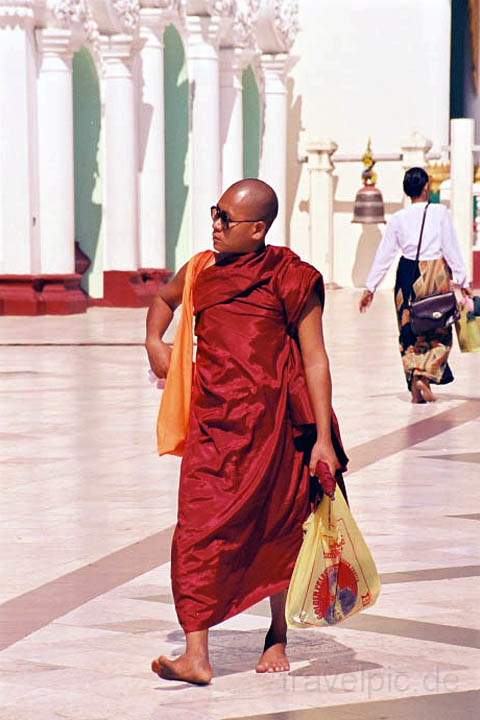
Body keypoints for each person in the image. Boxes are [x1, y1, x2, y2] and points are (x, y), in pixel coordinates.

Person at [145, 178, 348, 685]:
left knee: (277, 527)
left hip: (275, 426)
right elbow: (164, 300)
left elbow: (315, 357)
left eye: (224, 220)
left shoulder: (291, 277)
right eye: (214, 214)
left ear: (257, 230)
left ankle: (277, 631)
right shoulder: (201, 269)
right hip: (215, 426)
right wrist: (153, 340)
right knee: (196, 531)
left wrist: (322, 437)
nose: (214, 225)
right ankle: (196, 653)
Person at [359, 167, 470, 403]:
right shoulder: (440, 212)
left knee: (410, 328)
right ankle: (424, 375)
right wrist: (462, 280)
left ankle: (414, 384)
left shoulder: (399, 218)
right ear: (426, 187)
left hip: (407, 275)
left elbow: (385, 253)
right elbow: (450, 247)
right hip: (435, 273)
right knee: (438, 326)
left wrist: (371, 287)